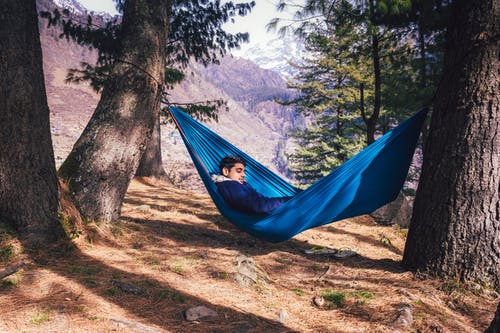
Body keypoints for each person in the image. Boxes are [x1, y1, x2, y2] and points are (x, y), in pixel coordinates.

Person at [212, 156, 292, 215]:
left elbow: (260, 201)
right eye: (239, 171)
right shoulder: (230, 186)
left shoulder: (236, 184)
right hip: (265, 220)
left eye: (244, 171)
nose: (244, 175)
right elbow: (259, 206)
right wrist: (288, 200)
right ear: (226, 171)